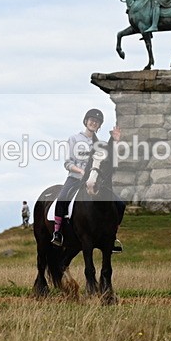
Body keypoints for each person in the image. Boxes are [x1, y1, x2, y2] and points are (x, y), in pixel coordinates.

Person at [51, 108, 124, 253]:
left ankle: (112, 237)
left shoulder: (99, 144)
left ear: (99, 125)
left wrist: (115, 141)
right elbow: (68, 163)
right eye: (91, 120)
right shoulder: (74, 139)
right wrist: (82, 171)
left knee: (120, 204)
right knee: (62, 198)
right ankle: (57, 232)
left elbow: (109, 160)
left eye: (97, 122)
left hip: (95, 180)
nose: (93, 123)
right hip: (75, 178)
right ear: (86, 121)